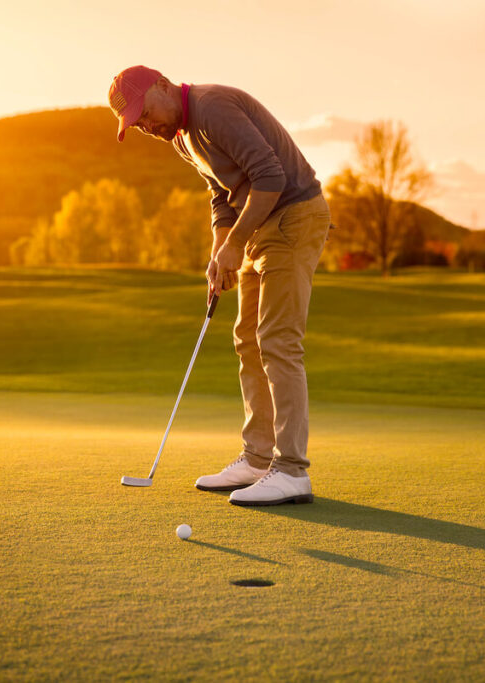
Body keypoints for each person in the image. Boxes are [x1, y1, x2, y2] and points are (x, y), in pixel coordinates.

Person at [108, 65, 331, 506]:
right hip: (260, 225)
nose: (146, 127)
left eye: (145, 113)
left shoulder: (212, 108)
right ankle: (257, 458)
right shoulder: (180, 136)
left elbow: (271, 177)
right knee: (247, 340)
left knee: (278, 340)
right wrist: (219, 252)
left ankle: (290, 471)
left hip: (292, 215)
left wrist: (235, 245)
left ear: (163, 86)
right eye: (136, 124)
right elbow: (220, 197)